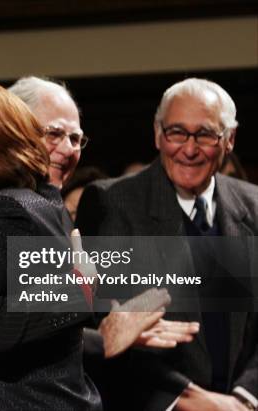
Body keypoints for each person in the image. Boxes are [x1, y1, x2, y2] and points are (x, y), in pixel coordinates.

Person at [76, 78, 258, 411]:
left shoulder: (254, 204)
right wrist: (185, 399)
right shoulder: (111, 202)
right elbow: (103, 325)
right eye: (177, 132)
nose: (189, 149)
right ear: (158, 134)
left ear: (229, 140)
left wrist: (245, 398)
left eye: (205, 134)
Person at [8, 76, 87, 188]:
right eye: (54, 133)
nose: (69, 150)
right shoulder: (0, 204)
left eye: (74, 139)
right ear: (13, 132)